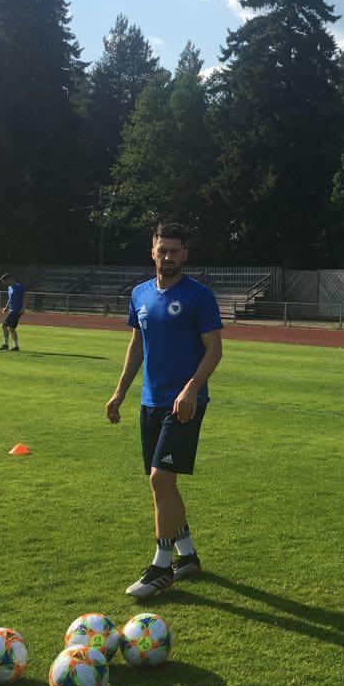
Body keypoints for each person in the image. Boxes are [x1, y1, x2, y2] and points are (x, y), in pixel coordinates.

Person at [106, 223, 223, 599]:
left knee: (159, 479)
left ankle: (161, 567)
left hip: (185, 404)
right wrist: (120, 391)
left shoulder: (199, 297)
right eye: (162, 250)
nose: (168, 256)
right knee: (164, 483)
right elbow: (137, 346)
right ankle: (186, 555)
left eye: (175, 250)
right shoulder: (139, 294)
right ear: (152, 252)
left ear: (185, 254)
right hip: (151, 401)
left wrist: (191, 389)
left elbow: (214, 350)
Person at [0, 273, 25, 351]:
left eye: (4, 281)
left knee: (9, 327)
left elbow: (26, 297)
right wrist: (6, 307)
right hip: (11, 310)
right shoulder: (9, 288)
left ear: (9, 279)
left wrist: (23, 308)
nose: (4, 283)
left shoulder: (18, 287)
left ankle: (15, 346)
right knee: (5, 326)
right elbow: (10, 299)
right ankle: (6, 345)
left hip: (16, 310)